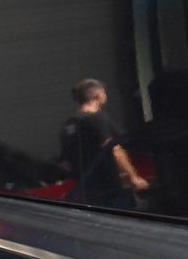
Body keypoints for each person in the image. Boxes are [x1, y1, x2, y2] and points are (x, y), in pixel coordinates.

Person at [60, 78, 148, 206]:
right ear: (98, 95)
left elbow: (66, 164)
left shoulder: (69, 125)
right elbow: (114, 149)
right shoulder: (97, 118)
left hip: (87, 192)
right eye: (104, 92)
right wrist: (134, 178)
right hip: (109, 189)